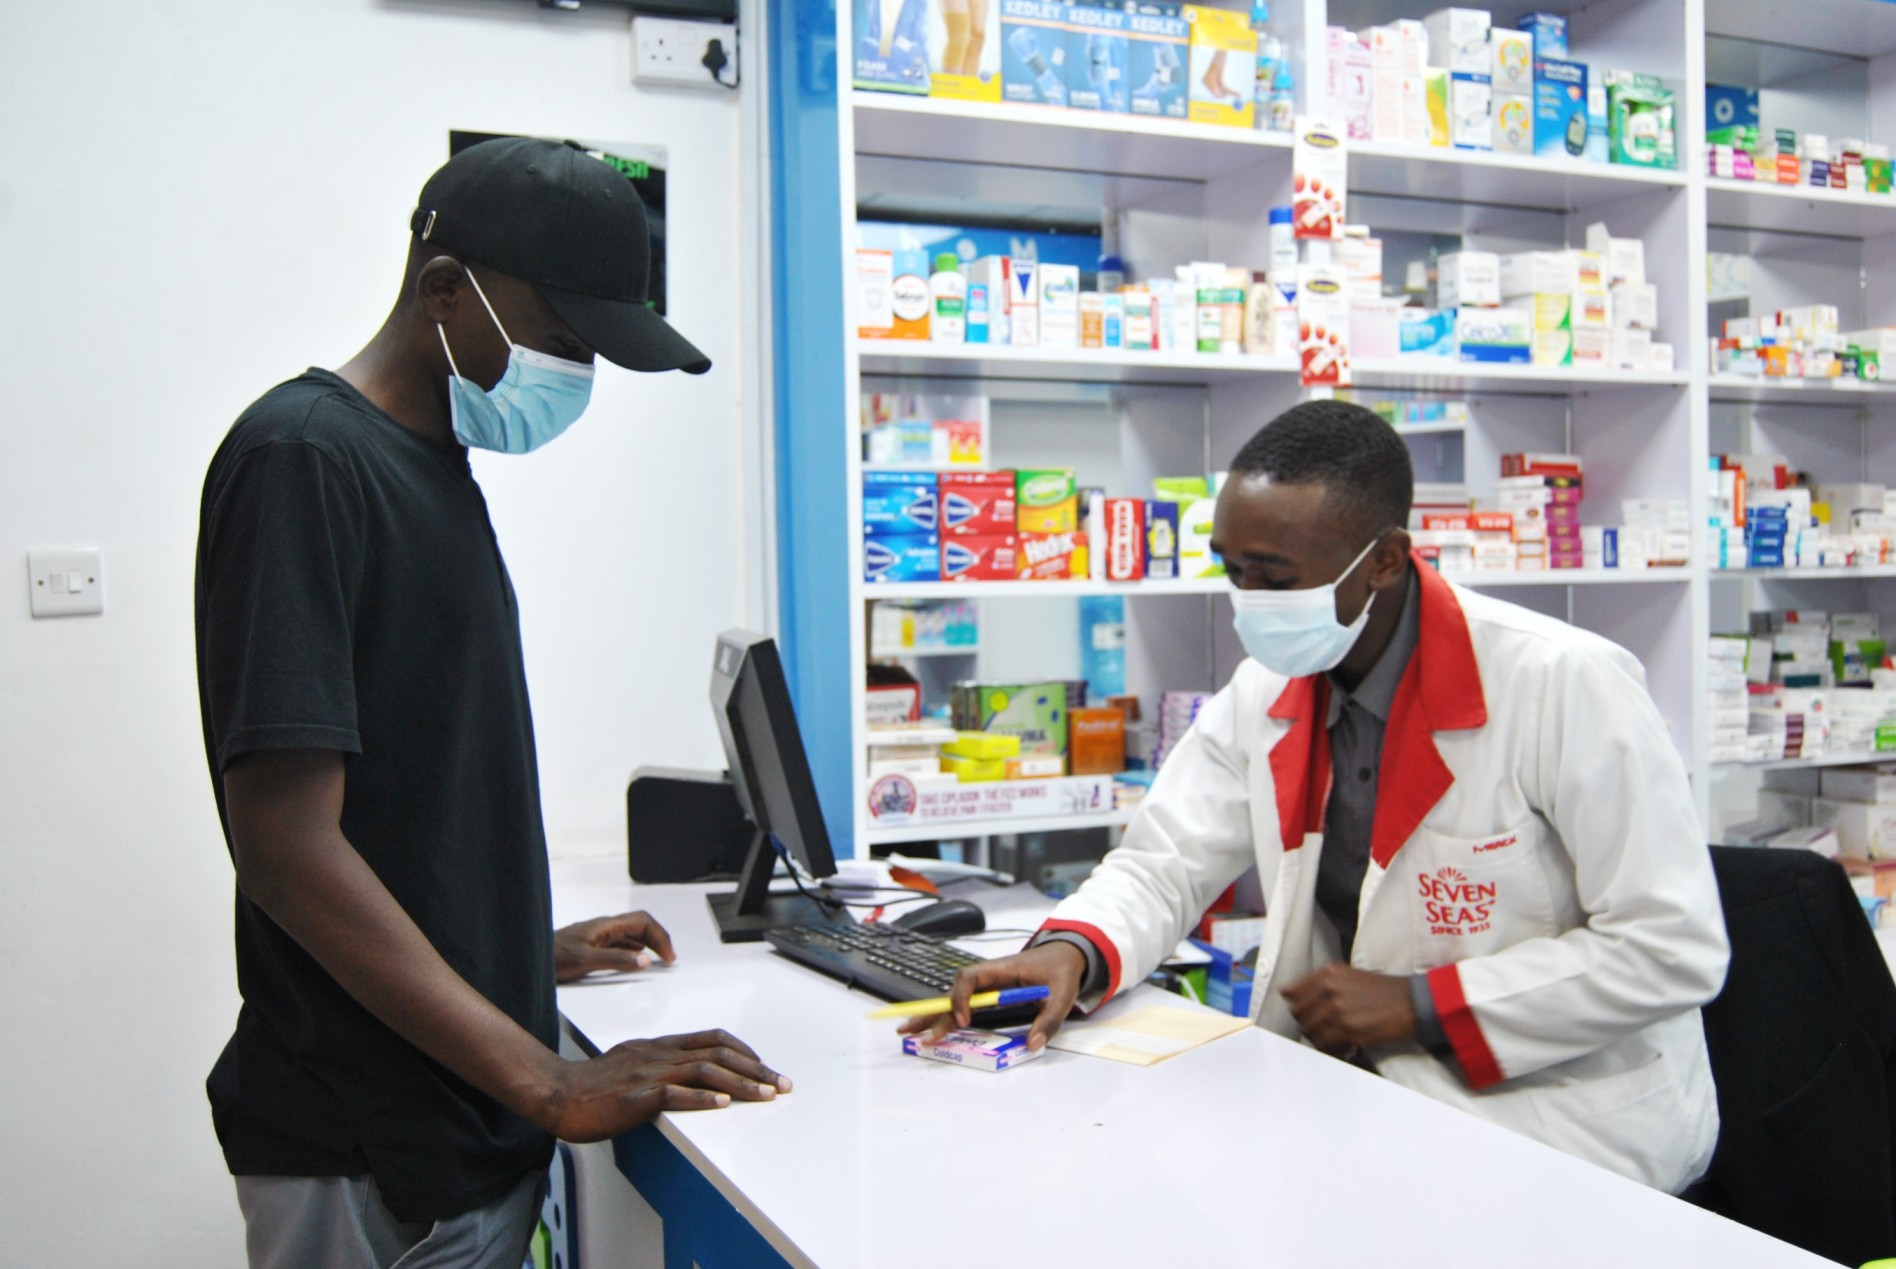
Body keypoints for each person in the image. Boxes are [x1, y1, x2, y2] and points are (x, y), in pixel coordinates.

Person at [196, 137, 789, 1268]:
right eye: (561, 342)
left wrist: (515, 945)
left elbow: (404, 793)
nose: (575, 375)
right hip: (372, 1144)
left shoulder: (428, 465)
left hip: (450, 1123)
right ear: (442, 291)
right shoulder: (305, 460)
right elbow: (282, 846)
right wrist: (549, 1079)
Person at [908, 401, 1730, 1194]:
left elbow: (1671, 945)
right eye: (1233, 571)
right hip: (1363, 1106)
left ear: (1384, 558)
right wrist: (1072, 951)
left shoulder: (1560, 683)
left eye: (1275, 577)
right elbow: (1166, 860)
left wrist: (1420, 1003)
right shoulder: (1270, 688)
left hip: (1560, 1119)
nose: (1249, 603)